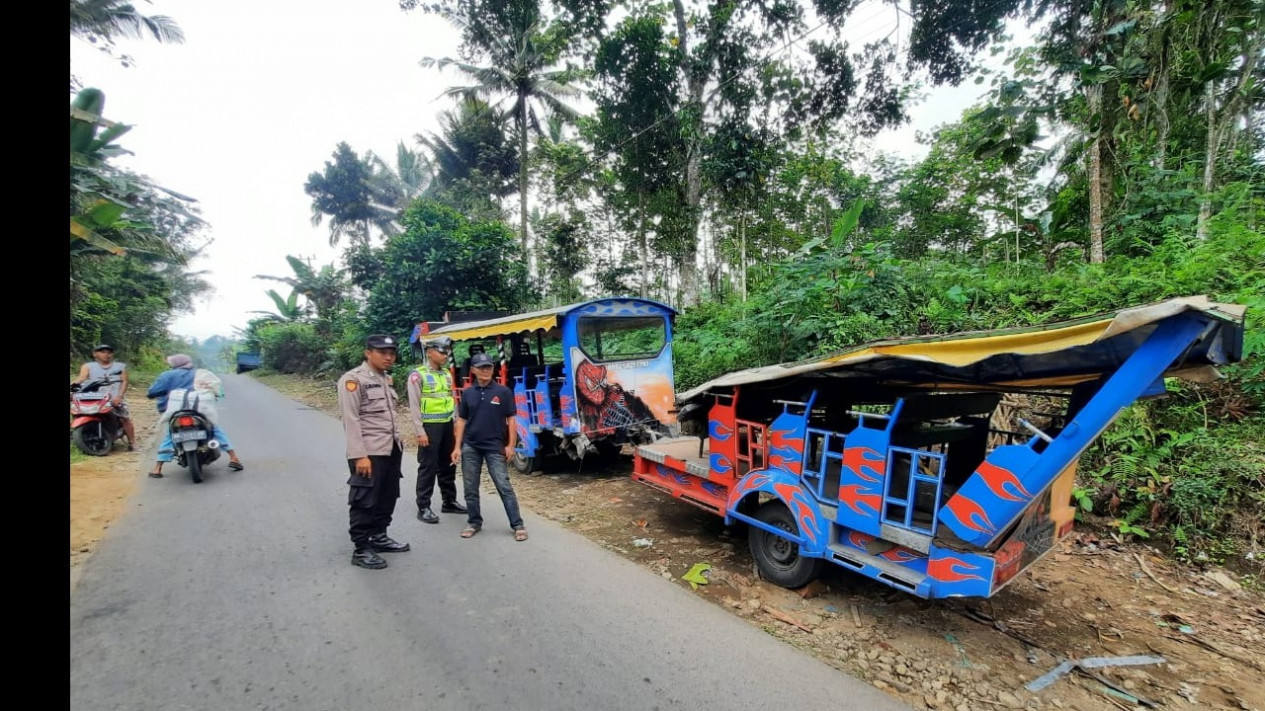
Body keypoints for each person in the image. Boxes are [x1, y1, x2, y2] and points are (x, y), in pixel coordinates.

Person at [338, 334, 411, 569]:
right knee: (365, 500)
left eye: (391, 353)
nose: (388, 357)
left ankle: (379, 536)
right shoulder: (353, 380)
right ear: (368, 353)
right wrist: (359, 455)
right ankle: (361, 548)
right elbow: (351, 419)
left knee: (388, 496)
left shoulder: (386, 379)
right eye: (382, 352)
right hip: (369, 452)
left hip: (390, 448)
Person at [452, 352, 527, 541]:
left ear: (493, 369)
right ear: (473, 370)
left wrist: (511, 445)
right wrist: (457, 447)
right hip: (471, 446)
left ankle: (517, 524)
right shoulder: (468, 393)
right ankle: (474, 522)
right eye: (481, 367)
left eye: (489, 367)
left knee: (504, 486)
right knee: (470, 487)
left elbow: (511, 420)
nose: (485, 371)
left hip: (495, 446)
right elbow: (461, 420)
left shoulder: (503, 392)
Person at [146, 354, 244, 478]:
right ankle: (234, 457)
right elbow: (215, 389)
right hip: (199, 410)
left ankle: (157, 468)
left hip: (175, 412)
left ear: (174, 364)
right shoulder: (200, 374)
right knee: (214, 429)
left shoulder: (167, 375)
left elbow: (153, 392)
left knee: (170, 435)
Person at [406, 336, 467, 524]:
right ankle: (423, 506)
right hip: (429, 427)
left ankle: (449, 501)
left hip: (447, 425)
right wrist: (419, 431)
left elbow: (451, 399)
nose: (445, 355)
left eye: (447, 352)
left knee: (448, 464)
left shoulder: (447, 374)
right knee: (428, 467)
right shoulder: (418, 375)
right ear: (430, 352)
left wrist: (456, 423)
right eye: (442, 351)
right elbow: (414, 405)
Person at [72, 344, 136, 451]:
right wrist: (73, 386)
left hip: (114, 396)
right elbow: (81, 379)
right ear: (95, 354)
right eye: (102, 352)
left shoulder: (120, 367)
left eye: (108, 352)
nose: (106, 354)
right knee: (78, 411)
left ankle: (132, 442)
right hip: (95, 396)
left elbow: (124, 382)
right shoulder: (88, 366)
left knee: (124, 417)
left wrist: (119, 396)